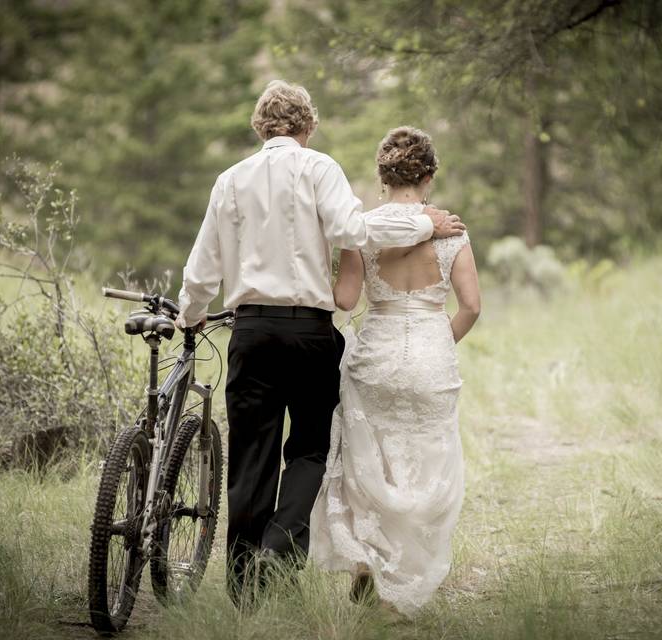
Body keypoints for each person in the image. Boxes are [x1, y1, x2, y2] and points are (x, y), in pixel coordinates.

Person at [175, 81, 466, 602]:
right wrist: (422, 222)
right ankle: (281, 548)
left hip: (251, 330)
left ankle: (245, 589)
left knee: (250, 457)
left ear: (259, 128)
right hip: (310, 332)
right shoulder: (320, 168)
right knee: (310, 448)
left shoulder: (230, 181)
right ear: (307, 127)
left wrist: (191, 314)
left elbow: (202, 267)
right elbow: (352, 233)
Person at [309, 126, 481, 615]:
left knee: (370, 460)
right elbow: (470, 305)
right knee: (427, 463)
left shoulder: (361, 228)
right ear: (427, 176)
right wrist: (434, 343)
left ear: (383, 177)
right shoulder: (450, 230)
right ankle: (399, 591)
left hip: (376, 353)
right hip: (430, 350)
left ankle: (366, 557)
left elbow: (344, 299)